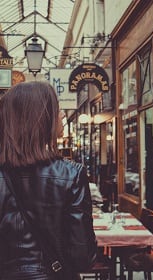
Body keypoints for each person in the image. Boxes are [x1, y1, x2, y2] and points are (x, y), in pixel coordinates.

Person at [0, 81, 97, 279]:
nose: (62, 115)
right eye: (57, 109)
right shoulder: (71, 175)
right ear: (40, 120)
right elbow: (83, 257)